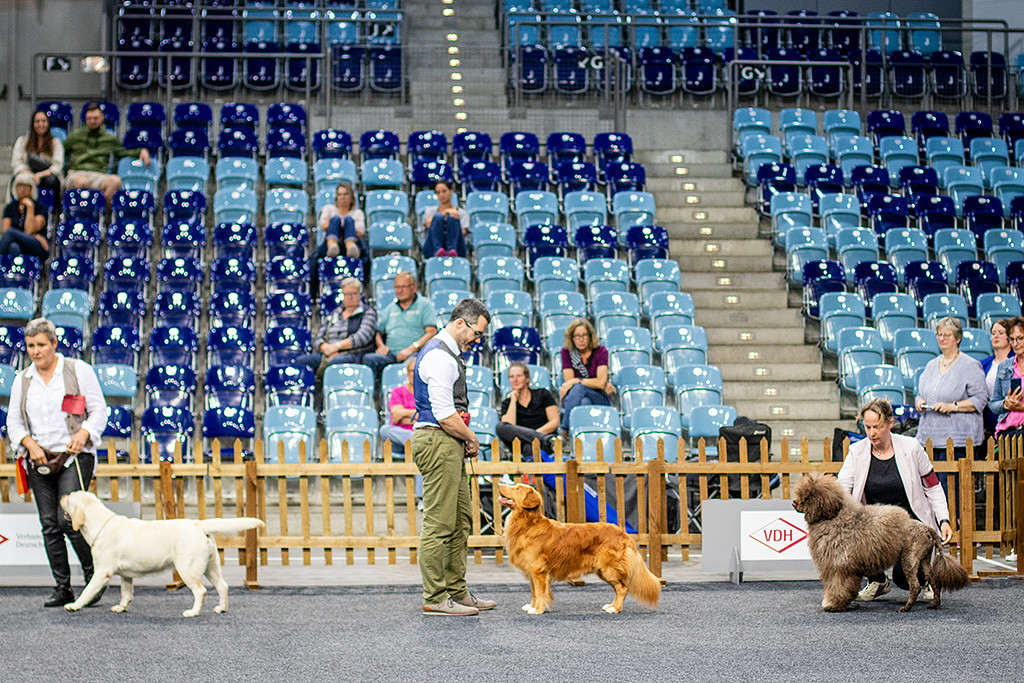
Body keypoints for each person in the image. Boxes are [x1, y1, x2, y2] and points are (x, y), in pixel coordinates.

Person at [6, 318, 107, 608]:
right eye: (30, 346)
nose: (36, 352)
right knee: (49, 524)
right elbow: (13, 421)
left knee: (68, 521)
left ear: (54, 344)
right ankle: (62, 587)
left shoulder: (78, 370)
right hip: (38, 457)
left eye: (41, 345)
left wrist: (85, 432)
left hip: (74, 456)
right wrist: (29, 444)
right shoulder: (22, 379)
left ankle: (94, 580)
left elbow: (99, 410)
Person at [411, 298, 496, 615]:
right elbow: (445, 414)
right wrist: (471, 437)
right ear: (461, 323)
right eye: (477, 332)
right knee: (439, 523)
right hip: (438, 438)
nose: (477, 339)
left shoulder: (448, 355)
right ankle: (434, 597)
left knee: (460, 520)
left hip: (446, 440)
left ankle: (457, 591)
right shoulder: (441, 357)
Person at [838, 398, 952, 602]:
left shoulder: (912, 447)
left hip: (911, 527)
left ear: (890, 423)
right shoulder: (856, 451)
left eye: (878, 427)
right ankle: (878, 581)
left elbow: (933, 486)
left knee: (904, 578)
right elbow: (842, 488)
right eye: (868, 427)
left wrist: (944, 519)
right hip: (875, 528)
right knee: (855, 543)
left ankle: (925, 579)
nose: (872, 433)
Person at [914, 316, 988, 463]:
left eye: (947, 335)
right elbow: (920, 394)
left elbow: (980, 399)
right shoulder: (930, 365)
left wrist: (953, 406)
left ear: (958, 338)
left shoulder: (970, 365)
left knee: (954, 485)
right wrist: (919, 401)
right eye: (939, 335)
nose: (942, 338)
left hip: (959, 441)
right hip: (929, 437)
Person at [63, 102, 151, 209]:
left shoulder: (109, 139)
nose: (92, 121)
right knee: (83, 183)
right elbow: (61, 149)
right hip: (78, 173)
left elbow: (124, 152)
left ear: (102, 118)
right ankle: (83, 216)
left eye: (95, 118)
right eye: (89, 119)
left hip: (99, 175)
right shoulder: (75, 136)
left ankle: (102, 215)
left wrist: (141, 151)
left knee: (115, 181)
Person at [364, 271, 438, 383]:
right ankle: (377, 397)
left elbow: (432, 332)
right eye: (397, 287)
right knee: (368, 359)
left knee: (411, 365)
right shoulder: (390, 308)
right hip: (391, 355)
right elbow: (378, 332)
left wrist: (411, 348)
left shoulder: (425, 304)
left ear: (414, 287)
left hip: (414, 354)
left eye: (403, 287)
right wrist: (381, 345)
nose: (399, 290)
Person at [296, 278, 377, 370]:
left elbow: (362, 337)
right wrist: (325, 347)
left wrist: (336, 347)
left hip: (353, 354)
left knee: (336, 362)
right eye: (347, 294)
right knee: (301, 361)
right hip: (327, 353)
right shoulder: (335, 313)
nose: (350, 297)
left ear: (360, 294)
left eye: (354, 293)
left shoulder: (367, 312)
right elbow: (319, 336)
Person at [559, 317, 616, 439]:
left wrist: (577, 380)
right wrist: (592, 382)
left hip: (599, 396)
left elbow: (600, 384)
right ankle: (585, 442)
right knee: (584, 401)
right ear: (571, 338)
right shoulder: (567, 352)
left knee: (579, 387)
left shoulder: (601, 351)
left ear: (590, 336)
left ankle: (564, 430)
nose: (581, 339)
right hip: (574, 398)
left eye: (584, 335)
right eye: (576, 336)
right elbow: (569, 382)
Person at [497, 362, 559, 456]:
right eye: (511, 377)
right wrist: (513, 400)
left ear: (527, 378)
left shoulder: (543, 394)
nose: (515, 380)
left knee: (529, 446)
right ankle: (544, 440)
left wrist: (533, 436)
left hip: (543, 442)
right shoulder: (507, 403)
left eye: (519, 376)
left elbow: (555, 422)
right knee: (500, 427)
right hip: (531, 442)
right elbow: (508, 425)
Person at [11, 110, 64, 212]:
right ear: (33, 124)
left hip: (47, 175)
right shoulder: (22, 141)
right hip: (27, 173)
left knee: (52, 181)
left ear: (48, 123)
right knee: (21, 180)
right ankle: (21, 213)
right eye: (37, 121)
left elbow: (57, 166)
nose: (41, 124)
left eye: (44, 121)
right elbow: (16, 164)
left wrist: (39, 175)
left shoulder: (55, 142)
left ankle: (51, 214)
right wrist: (31, 175)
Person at [989, 317, 1024, 439]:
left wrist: (1022, 408)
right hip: (1007, 432)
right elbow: (993, 404)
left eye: (1020, 338)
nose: (1015, 343)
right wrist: (1006, 404)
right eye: (1012, 339)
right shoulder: (1004, 366)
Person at [1, 173, 50, 259]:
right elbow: (5, 231)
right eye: (19, 186)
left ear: (32, 188)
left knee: (11, 232)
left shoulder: (40, 207)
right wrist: (33, 235)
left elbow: (29, 230)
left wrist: (30, 207)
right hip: (20, 242)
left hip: (37, 245)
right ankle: (15, 272)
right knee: (13, 246)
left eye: (26, 185)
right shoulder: (10, 207)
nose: (22, 189)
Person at [981, 318, 1014, 435]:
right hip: (988, 419)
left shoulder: (1017, 361)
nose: (996, 336)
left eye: (1001, 333)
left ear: (1009, 337)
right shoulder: (983, 363)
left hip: (1010, 418)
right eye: (993, 333)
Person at [315, 183, 366, 261]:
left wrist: (341, 226)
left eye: (345, 194)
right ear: (336, 197)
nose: (342, 197)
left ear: (351, 197)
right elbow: (324, 226)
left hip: (351, 244)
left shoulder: (358, 213)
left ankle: (350, 246)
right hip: (328, 245)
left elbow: (359, 233)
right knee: (335, 219)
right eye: (339, 194)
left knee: (348, 220)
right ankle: (332, 245)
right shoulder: (328, 209)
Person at [380, 357, 417, 457]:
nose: (415, 374)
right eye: (412, 371)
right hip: (399, 439)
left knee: (421, 440)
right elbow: (396, 417)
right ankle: (415, 440)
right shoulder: (397, 391)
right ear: (407, 372)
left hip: (421, 433)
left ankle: (416, 441)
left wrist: (404, 413)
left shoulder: (427, 393)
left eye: (418, 371)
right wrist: (416, 415)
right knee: (384, 429)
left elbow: (427, 419)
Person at [422, 180, 469, 258]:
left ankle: (451, 250)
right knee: (438, 217)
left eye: (444, 191)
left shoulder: (462, 213)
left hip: (457, 247)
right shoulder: (430, 210)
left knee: (452, 218)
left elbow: (463, 232)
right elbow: (428, 224)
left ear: (451, 191)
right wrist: (444, 212)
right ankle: (438, 250)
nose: (441, 195)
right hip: (432, 247)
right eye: (438, 192)